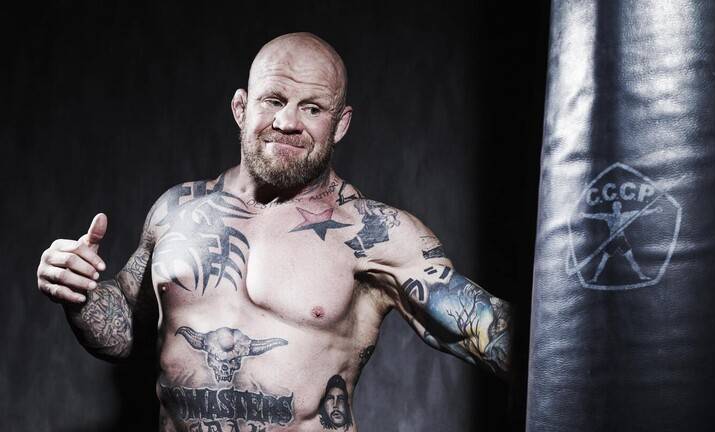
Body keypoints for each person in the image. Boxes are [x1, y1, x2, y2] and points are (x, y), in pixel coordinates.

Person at [36, 32, 512, 432]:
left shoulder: (374, 234)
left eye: (313, 108)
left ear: (340, 125)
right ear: (241, 107)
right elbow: (123, 332)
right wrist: (78, 292)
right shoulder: (177, 212)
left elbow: (493, 336)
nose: (287, 123)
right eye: (274, 100)